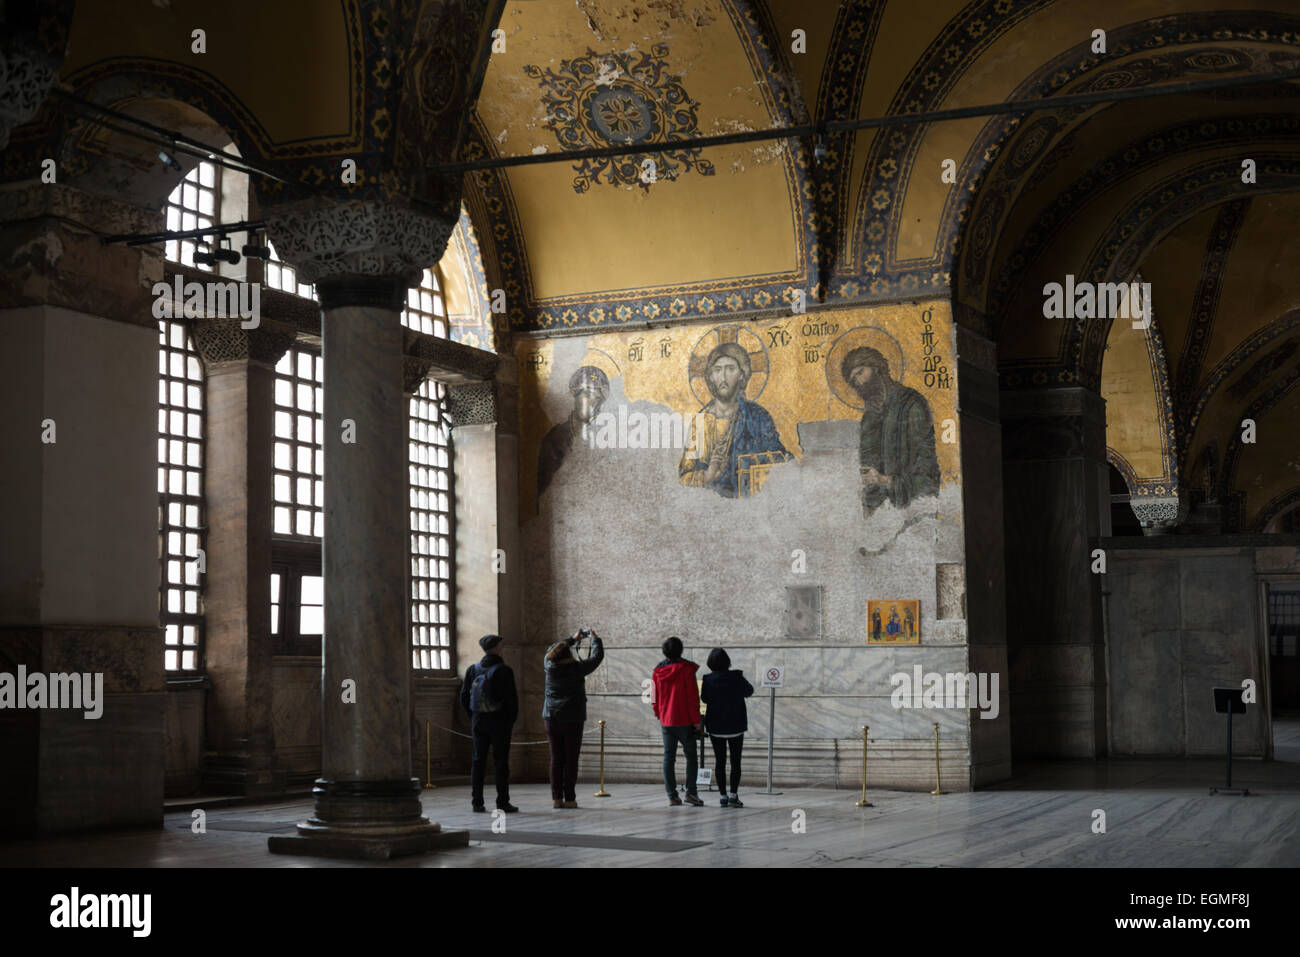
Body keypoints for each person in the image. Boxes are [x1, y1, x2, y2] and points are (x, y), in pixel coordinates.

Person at [679, 342, 791, 498]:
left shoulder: (757, 416)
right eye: (717, 370)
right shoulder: (700, 423)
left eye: (730, 369)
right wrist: (708, 475)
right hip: (711, 506)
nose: (723, 377)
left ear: (742, 375)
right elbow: (684, 476)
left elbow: (780, 460)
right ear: (710, 376)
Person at [841, 346, 940, 514]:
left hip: (913, 508)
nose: (858, 383)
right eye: (853, 381)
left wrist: (886, 480)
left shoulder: (911, 404)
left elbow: (928, 472)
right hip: (880, 511)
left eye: (860, 373)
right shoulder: (869, 418)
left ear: (876, 367)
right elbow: (868, 466)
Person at [542, 628, 605, 809]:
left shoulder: (548, 666)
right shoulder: (576, 668)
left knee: (556, 758)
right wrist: (594, 639)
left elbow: (552, 649)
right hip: (573, 718)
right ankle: (569, 798)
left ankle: (556, 798)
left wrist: (571, 639)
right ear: (568, 653)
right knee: (571, 758)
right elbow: (597, 658)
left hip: (551, 717)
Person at [459, 634, 519, 813]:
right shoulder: (504, 670)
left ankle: (477, 802)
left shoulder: (472, 669)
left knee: (478, 761)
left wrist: (473, 715)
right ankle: (502, 802)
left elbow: (464, 696)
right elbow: (511, 701)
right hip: (499, 722)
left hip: (479, 721)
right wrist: (510, 721)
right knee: (501, 762)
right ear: (498, 648)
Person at [651, 636, 703, 806]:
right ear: (681, 650)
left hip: (666, 720)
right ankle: (691, 793)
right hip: (685, 721)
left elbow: (654, 696)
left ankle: (672, 796)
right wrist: (696, 721)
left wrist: (659, 713)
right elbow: (692, 698)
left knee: (668, 757)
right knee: (691, 757)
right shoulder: (686, 670)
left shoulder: (657, 671)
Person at [700, 648, 754, 808]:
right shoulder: (736, 677)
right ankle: (733, 795)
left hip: (716, 726)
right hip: (735, 725)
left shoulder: (707, 679)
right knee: (736, 762)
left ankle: (723, 796)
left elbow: (704, 698)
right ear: (727, 661)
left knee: (720, 762)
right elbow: (749, 691)